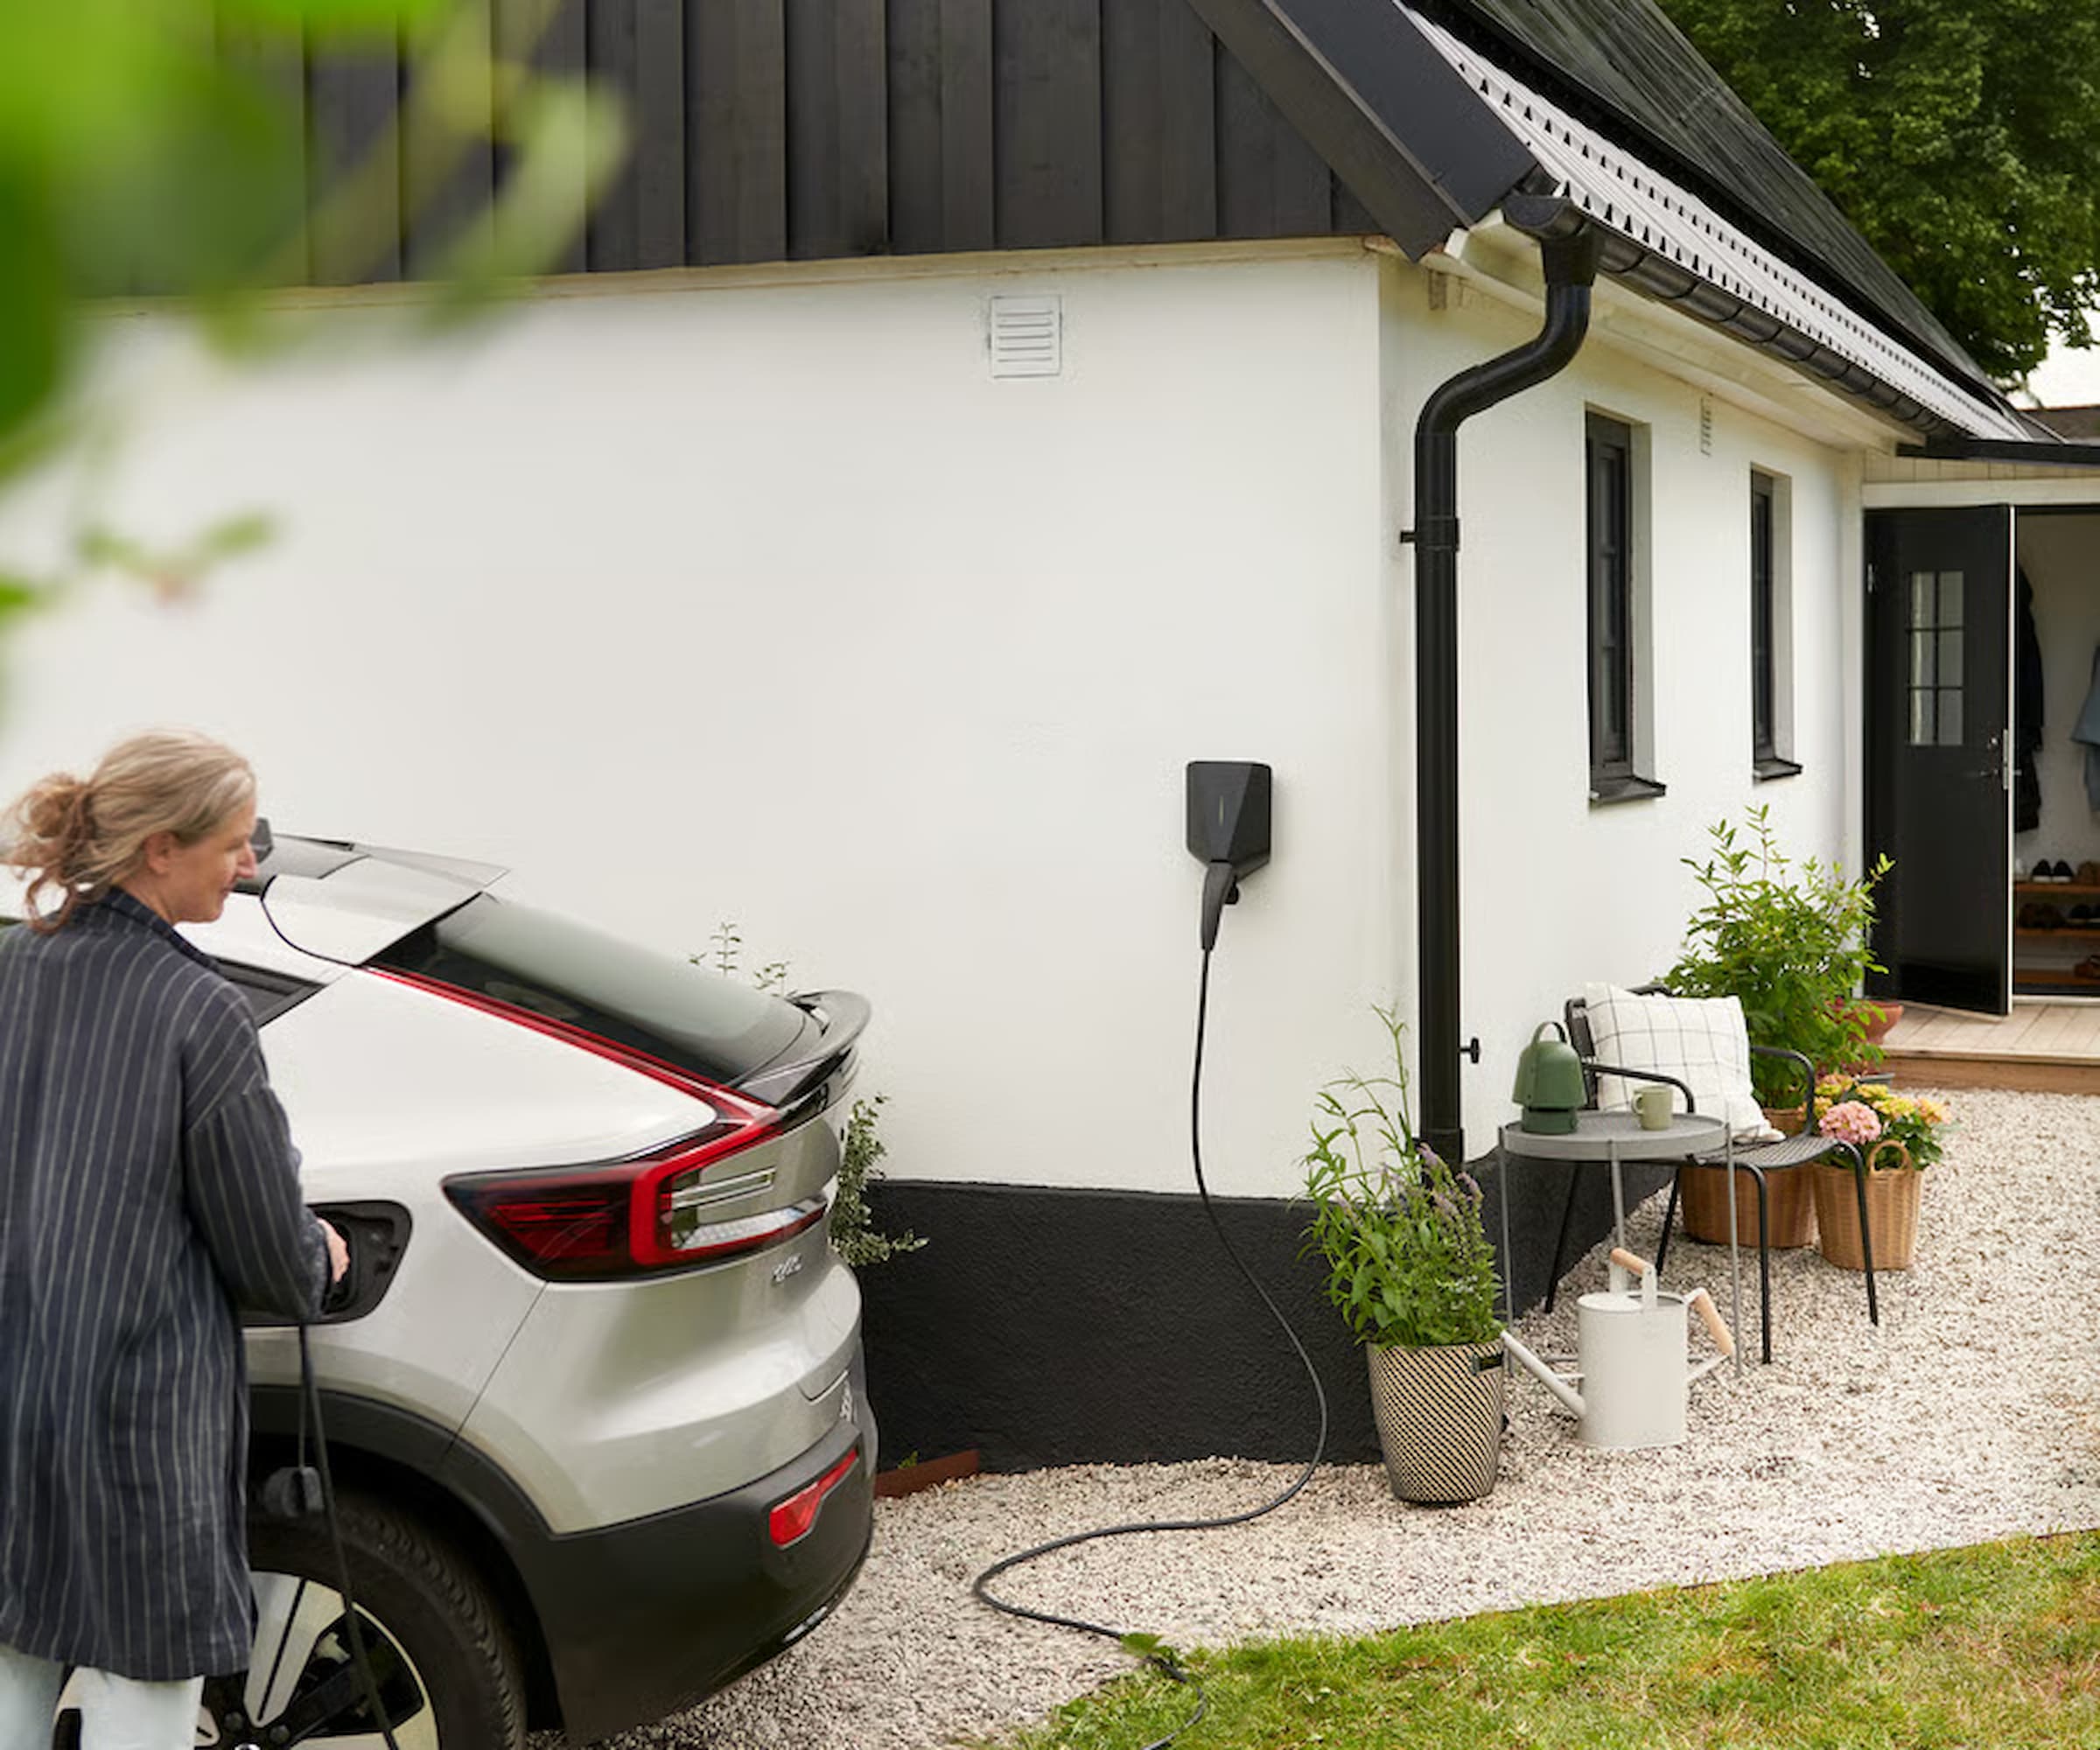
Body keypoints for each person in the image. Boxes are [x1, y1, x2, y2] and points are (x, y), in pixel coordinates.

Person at [0, 729, 346, 1748]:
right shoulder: (201, 1009)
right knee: (145, 1665)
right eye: (235, 845)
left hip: (12, 1382)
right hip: (137, 1405)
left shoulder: (11, 967)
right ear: (160, 846)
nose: (249, 865)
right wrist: (315, 1254)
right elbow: (267, 1250)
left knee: (14, 1635)